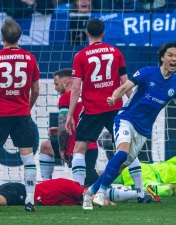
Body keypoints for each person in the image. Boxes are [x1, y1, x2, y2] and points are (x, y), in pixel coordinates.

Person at [82, 41, 176, 210]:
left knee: (120, 167)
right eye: (170, 55)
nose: (174, 59)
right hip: (126, 119)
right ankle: (100, 193)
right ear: (162, 57)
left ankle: (88, 193)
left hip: (143, 130)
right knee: (122, 154)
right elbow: (125, 87)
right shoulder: (147, 73)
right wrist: (114, 97)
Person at [65, 18, 148, 203]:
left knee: (79, 148)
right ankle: (141, 193)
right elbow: (126, 82)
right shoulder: (116, 52)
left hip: (92, 110)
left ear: (87, 33)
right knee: (127, 149)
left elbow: (76, 88)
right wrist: (132, 106)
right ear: (103, 33)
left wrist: (70, 114)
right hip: (115, 107)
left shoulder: (81, 56)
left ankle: (79, 194)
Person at [0, 19, 40, 212]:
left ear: (2, 37)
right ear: (19, 36)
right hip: (22, 115)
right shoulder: (30, 58)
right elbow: (36, 90)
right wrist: (26, 108)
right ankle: (29, 201)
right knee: (28, 157)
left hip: (0, 114)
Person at [0, 178, 159, 208]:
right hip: (23, 192)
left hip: (21, 189)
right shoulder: (74, 188)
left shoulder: (74, 193)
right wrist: (105, 203)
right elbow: (90, 196)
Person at [39, 68, 99, 185]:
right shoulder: (87, 95)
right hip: (91, 146)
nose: (55, 88)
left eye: (56, 84)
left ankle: (130, 193)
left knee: (90, 188)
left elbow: (63, 125)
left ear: (65, 82)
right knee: (46, 147)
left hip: (77, 148)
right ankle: (45, 184)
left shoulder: (66, 97)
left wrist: (61, 150)